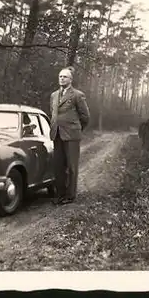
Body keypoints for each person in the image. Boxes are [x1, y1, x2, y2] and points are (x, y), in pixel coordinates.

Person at [49, 66, 90, 205]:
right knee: (58, 166)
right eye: (60, 76)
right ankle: (59, 194)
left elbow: (85, 116)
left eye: (65, 77)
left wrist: (76, 129)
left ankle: (70, 196)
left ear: (71, 79)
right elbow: (53, 113)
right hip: (57, 134)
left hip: (71, 136)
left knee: (72, 167)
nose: (62, 78)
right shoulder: (54, 95)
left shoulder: (77, 95)